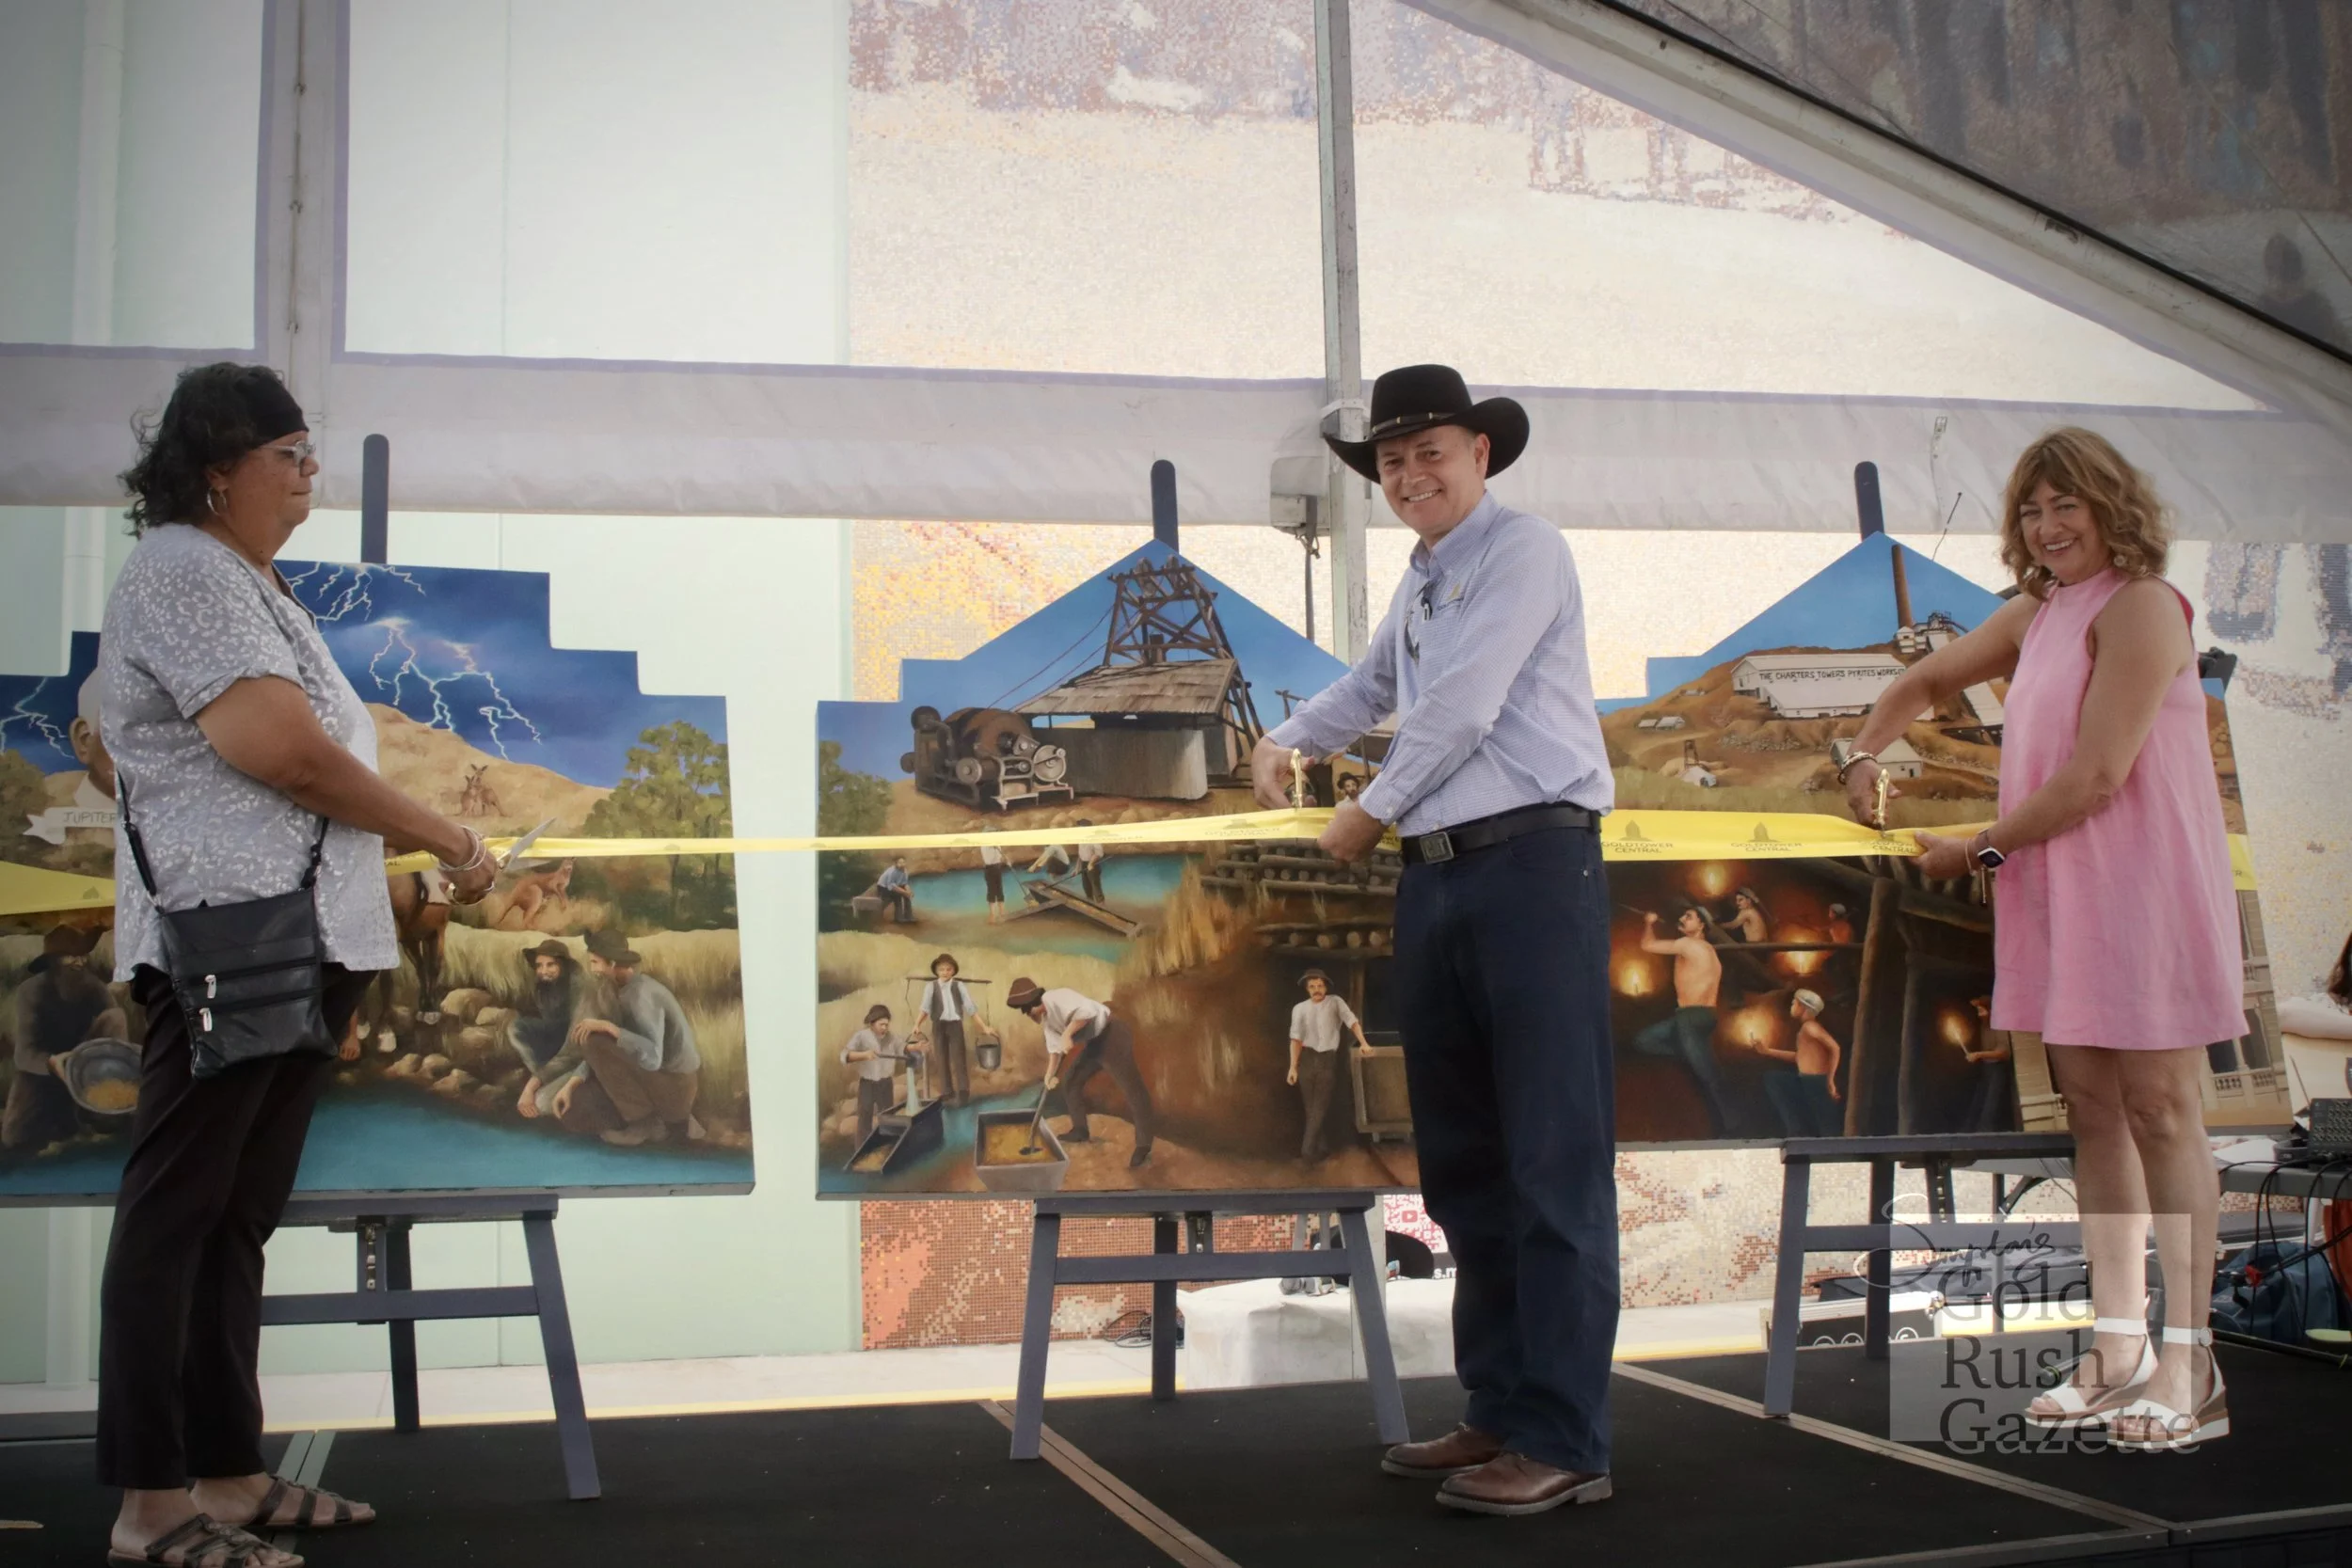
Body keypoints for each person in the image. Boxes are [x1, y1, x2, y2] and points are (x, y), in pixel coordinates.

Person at [94, 361, 496, 1566]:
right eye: (292, 452)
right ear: (219, 465)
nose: (310, 471)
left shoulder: (239, 580)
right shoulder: (182, 567)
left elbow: (114, 718)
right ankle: (150, 1505)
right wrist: (450, 837)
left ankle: (226, 1473)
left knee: (230, 1217)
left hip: (291, 936)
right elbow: (286, 752)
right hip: (233, 935)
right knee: (179, 1213)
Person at [1249, 363, 1616, 1516]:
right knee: (1463, 1158)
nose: (1411, 475)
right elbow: (1371, 686)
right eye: (1392, 461)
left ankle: (1565, 1437)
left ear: (1481, 454)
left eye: (1431, 453)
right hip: (1443, 879)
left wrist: (1364, 810)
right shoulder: (1420, 579)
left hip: (1530, 866)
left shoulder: (1524, 551)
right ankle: (1500, 1408)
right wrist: (1284, 734)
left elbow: (1457, 709)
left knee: (1552, 1155)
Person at [1841, 427, 2242, 1451]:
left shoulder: (2144, 605)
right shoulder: (2039, 610)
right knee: (2095, 1112)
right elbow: (1925, 682)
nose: (2048, 525)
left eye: (2067, 504)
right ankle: (2116, 1349)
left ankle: (2191, 1361)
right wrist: (1861, 749)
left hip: (2138, 888)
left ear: (2113, 506)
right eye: (2030, 509)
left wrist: (1973, 848)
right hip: (2058, 886)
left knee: (2161, 1108)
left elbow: (2097, 775)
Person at [547, 930, 702, 1147]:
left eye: (595, 963)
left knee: (593, 1039)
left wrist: (611, 1028)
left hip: (675, 1087)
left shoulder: (641, 995)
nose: (592, 970)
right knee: (574, 1114)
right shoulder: (620, 989)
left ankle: (646, 1124)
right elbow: (611, 1051)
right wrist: (572, 1084)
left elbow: (653, 1058)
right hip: (656, 1082)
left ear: (612, 963)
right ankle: (659, 1122)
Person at [1006, 977, 1154, 1168]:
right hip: (1095, 1043)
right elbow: (1055, 1051)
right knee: (1071, 1082)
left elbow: (1088, 1012)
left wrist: (1067, 1034)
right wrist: (1049, 1076)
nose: (1027, 1014)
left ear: (1034, 1002)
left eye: (1026, 1010)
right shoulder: (1048, 1023)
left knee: (1132, 1089)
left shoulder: (1057, 997)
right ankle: (1080, 1130)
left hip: (1112, 1035)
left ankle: (1144, 1145)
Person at [4, 926, 126, 1151]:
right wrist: (52, 1063)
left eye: (82, 955)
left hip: (86, 1067)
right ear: (53, 962)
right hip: (42, 1071)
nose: (79, 962)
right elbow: (24, 1054)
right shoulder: (30, 992)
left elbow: (114, 1026)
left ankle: (101, 1113)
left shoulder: (92, 986)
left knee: (115, 1016)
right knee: (14, 1139)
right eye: (71, 956)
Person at [1633, 905, 1734, 1137]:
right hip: (1703, 1016)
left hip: (1691, 1016)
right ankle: (1686, 1054)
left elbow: (1647, 945)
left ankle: (1731, 1125)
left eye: (1688, 917)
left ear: (1701, 925)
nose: (1681, 919)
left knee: (1707, 1074)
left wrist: (1649, 922)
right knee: (1644, 1040)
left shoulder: (1686, 944)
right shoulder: (1709, 950)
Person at [1288, 969, 1373, 1162]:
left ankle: (1307, 1152)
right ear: (1307, 989)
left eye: (1319, 986)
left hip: (1327, 1059)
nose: (1316, 990)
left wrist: (1364, 1043)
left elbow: (1352, 1022)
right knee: (1311, 1107)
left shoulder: (1336, 1002)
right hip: (1306, 1060)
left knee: (1320, 1106)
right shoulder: (1299, 1009)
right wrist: (1293, 1067)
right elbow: (1295, 1039)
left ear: (1325, 987)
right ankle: (1321, 1147)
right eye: (1312, 986)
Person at [509, 940, 583, 1120]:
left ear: (563, 965)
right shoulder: (542, 986)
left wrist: (530, 1087)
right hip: (556, 1043)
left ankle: (542, 1081)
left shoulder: (579, 988)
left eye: (550, 965)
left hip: (579, 1053)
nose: (543, 971)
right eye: (539, 966)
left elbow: (574, 1047)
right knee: (517, 1028)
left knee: (540, 1104)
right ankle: (543, 1077)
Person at [1754, 989, 1842, 1138]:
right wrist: (1768, 1051)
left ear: (1803, 1007)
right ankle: (1796, 1129)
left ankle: (1800, 1132)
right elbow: (1799, 1057)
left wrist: (1831, 1080)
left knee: (1827, 1126)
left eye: (1794, 1003)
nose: (1792, 1006)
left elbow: (1835, 1047)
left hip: (1815, 1082)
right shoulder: (1806, 1028)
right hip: (1806, 1081)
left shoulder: (1810, 1027)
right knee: (1773, 1078)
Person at [913, 952, 993, 1109]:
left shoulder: (959, 986)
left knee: (959, 1057)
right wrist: (917, 1024)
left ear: (954, 971)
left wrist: (984, 1027)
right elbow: (925, 1008)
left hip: (955, 1024)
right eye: (941, 969)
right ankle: (947, 1091)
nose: (945, 972)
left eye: (948, 969)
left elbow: (971, 1008)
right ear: (936, 971)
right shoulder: (931, 987)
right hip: (938, 1025)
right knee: (941, 1057)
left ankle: (963, 1091)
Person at [839, 1004, 905, 1140]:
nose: (885, 1028)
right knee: (864, 1121)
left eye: (887, 1025)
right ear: (872, 1023)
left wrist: (916, 1047)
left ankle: (887, 1148)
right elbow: (844, 1056)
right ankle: (862, 1152)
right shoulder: (861, 1036)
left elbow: (903, 1048)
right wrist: (864, 1055)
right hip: (867, 1085)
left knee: (887, 1120)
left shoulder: (891, 1037)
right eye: (881, 1025)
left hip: (886, 1084)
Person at [1955, 995, 2015, 1134]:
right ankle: (1969, 1132)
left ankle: (1985, 1133)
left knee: (1991, 1104)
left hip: (1998, 1069)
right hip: (1987, 1068)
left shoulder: (1999, 1026)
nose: (1979, 1014)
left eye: (1982, 1011)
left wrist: (1979, 1055)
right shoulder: (1984, 1026)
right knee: (1979, 1101)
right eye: (1978, 1011)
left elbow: (2003, 1053)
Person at [979, 830, 1008, 925]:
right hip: (990, 868)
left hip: (997, 867)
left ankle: (1002, 912)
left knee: (999, 889)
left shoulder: (997, 843)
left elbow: (1000, 855)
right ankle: (992, 915)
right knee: (991, 890)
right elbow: (990, 850)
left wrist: (1006, 860)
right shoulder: (985, 843)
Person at [876, 856, 914, 924]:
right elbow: (891, 886)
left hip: (894, 886)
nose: (902, 864)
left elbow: (905, 883)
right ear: (896, 864)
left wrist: (909, 892)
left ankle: (909, 917)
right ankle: (899, 918)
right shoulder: (892, 872)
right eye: (900, 863)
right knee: (898, 896)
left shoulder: (905, 871)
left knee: (906, 896)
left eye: (903, 862)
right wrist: (905, 892)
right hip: (883, 888)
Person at [1074, 827, 1105, 904]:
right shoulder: (1081, 840)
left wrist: (1090, 863)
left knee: (1096, 888)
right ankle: (1091, 907)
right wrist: (1077, 868)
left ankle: (1102, 907)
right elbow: (1080, 855)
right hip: (1084, 864)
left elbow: (1099, 853)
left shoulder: (1095, 839)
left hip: (1093, 864)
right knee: (1086, 888)